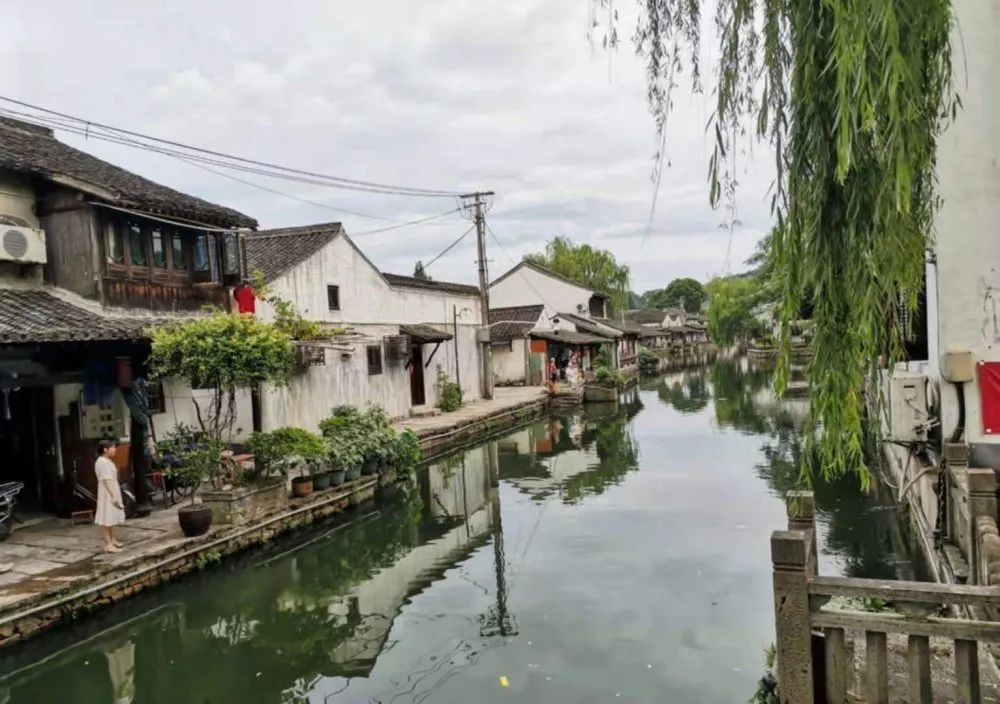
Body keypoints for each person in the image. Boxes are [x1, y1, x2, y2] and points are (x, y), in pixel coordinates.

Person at [94, 439, 126, 553]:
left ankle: (112, 539)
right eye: (112, 447)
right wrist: (113, 495)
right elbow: (106, 481)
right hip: (107, 492)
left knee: (111, 517)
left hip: (112, 489)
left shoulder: (107, 461)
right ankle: (108, 544)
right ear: (105, 450)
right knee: (106, 517)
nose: (114, 449)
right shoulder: (101, 462)